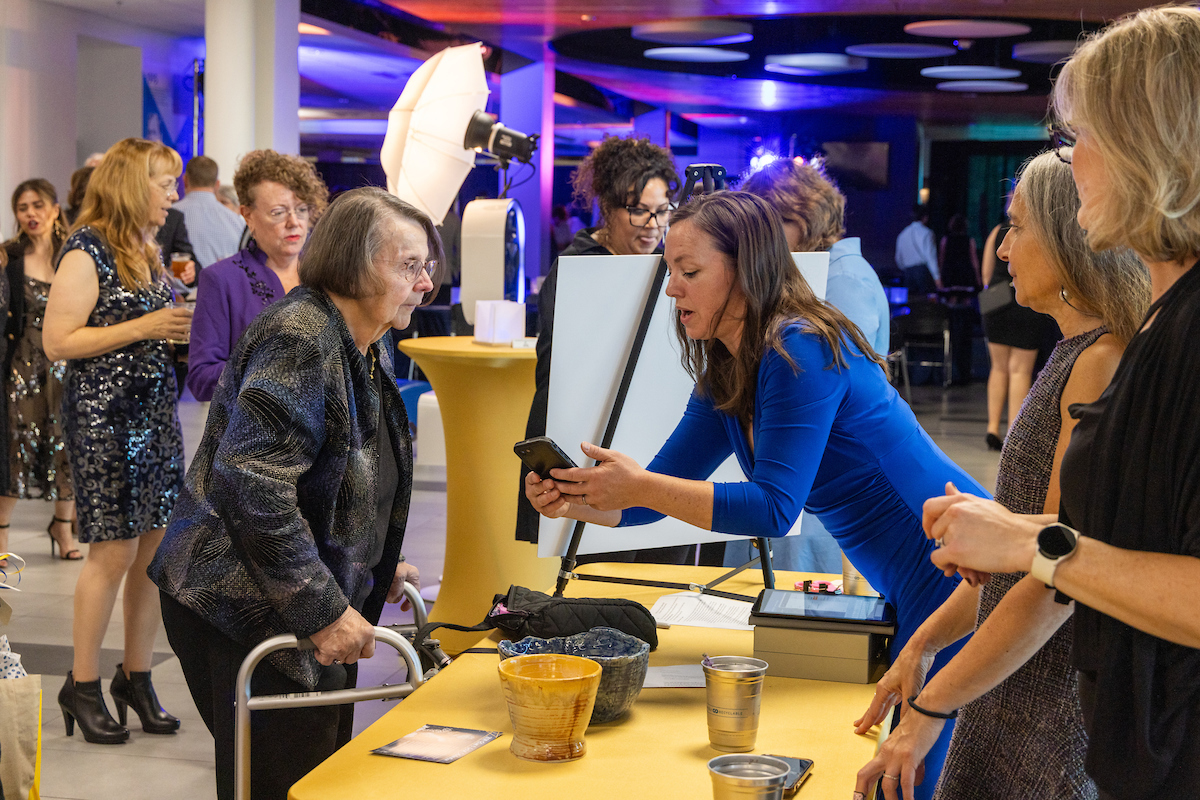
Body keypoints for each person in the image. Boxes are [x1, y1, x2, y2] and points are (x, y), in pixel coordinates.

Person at [525, 191, 988, 797]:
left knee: (908, 779)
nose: (672, 291)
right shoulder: (728, 365)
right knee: (894, 776)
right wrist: (579, 498)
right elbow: (650, 499)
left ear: (745, 269)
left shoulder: (801, 346)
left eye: (689, 273)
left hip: (962, 576)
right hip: (911, 583)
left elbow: (774, 507)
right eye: (670, 273)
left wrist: (638, 484)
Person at [922, 8, 1200, 798]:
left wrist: (1033, 548)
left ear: (1157, 145)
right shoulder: (1161, 325)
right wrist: (1017, 533)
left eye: (1088, 136)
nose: (1072, 161)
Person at [855, 151, 1148, 800]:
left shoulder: (1099, 361)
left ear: (1070, 238)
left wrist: (932, 706)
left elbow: (1054, 582)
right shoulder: (1073, 351)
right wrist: (921, 648)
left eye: (1016, 229)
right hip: (1006, 684)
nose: (1005, 249)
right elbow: (1021, 564)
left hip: (1045, 704)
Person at [149, 187, 436, 800]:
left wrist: (369, 563)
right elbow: (252, 483)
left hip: (288, 591)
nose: (426, 285)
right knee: (282, 776)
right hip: (238, 599)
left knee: (320, 768)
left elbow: (346, 468)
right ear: (356, 266)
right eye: (409, 266)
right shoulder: (303, 334)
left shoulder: (367, 335)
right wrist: (324, 608)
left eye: (426, 267)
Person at [43, 137, 193, 745]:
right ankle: (82, 684)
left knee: (153, 559)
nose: (174, 196)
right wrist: (151, 324)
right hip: (107, 422)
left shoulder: (145, 248)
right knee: (112, 554)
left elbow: (144, 328)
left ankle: (137, 677)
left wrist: (174, 327)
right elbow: (59, 342)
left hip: (155, 418)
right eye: (165, 185)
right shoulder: (86, 250)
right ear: (135, 186)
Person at [517, 134, 680, 556]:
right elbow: (563, 369)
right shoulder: (580, 265)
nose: (652, 226)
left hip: (648, 431)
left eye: (662, 212)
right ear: (607, 207)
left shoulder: (667, 265)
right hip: (591, 432)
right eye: (638, 211)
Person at [735, 156, 890, 573]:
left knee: (803, 609)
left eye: (769, 226)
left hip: (821, 478)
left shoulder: (842, 279)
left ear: (804, 221)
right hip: (798, 474)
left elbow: (815, 386)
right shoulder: (814, 273)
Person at [185, 149, 328, 401]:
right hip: (254, 434)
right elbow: (201, 378)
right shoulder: (221, 279)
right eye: (278, 212)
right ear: (248, 215)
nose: (294, 221)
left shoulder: (326, 274)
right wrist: (271, 370)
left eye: (301, 209)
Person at [1, 180, 78, 560]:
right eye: (22, 207)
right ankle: (1, 534)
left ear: (54, 208)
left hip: (64, 365)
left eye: (37, 205)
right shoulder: (9, 256)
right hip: (22, 365)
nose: (30, 213)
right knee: (17, 444)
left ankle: (63, 528)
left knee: (65, 444)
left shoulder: (72, 255)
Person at [980, 209, 1060, 450]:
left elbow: (985, 273)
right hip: (1024, 303)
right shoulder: (1038, 232)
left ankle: (992, 427)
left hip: (996, 303)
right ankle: (1013, 431)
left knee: (998, 367)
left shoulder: (997, 231)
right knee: (1020, 371)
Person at [172, 155, 246, 269]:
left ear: (185, 180)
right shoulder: (237, 222)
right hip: (223, 286)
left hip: (179, 285)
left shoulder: (170, 215)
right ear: (217, 185)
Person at [896, 204, 941, 294]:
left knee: (911, 303)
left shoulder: (903, 234)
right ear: (925, 217)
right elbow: (930, 257)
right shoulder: (927, 233)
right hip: (922, 272)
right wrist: (937, 278)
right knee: (925, 303)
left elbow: (898, 259)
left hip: (908, 273)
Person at [937, 214, 981, 289]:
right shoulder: (969, 241)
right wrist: (978, 277)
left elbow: (941, 258)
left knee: (951, 296)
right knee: (966, 295)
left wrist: (940, 275)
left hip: (950, 272)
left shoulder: (945, 240)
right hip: (965, 272)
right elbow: (974, 260)